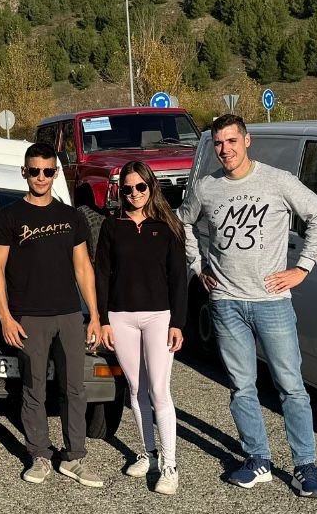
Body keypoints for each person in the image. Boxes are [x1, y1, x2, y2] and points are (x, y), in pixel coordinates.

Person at [176, 114, 317, 499]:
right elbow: (184, 225)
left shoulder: (278, 181)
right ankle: (257, 459)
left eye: (231, 141)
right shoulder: (206, 187)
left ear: (247, 141)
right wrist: (198, 268)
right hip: (226, 302)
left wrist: (302, 269)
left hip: (272, 303)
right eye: (218, 143)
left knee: (291, 388)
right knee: (242, 388)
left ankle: (305, 467)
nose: (225, 150)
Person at [0, 143, 104, 488]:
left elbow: (83, 267)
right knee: (34, 388)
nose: (41, 177)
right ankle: (39, 455)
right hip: (29, 317)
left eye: (48, 171)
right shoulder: (8, 217)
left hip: (69, 313)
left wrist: (94, 315)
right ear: (24, 172)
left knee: (74, 389)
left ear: (55, 174)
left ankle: (74, 457)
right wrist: (6, 317)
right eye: (34, 170)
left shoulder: (71, 216)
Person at [94, 160, 187, 495]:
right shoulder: (112, 226)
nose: (134, 194)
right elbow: (101, 274)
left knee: (160, 391)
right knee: (136, 389)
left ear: (151, 186)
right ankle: (147, 453)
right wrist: (103, 319)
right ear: (121, 190)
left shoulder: (168, 225)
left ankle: (170, 465)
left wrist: (178, 322)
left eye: (141, 187)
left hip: (159, 317)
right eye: (128, 188)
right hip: (121, 318)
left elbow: (178, 278)